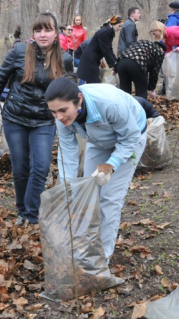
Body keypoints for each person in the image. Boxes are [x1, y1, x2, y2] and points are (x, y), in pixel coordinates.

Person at [0, 13, 72, 225]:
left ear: (56, 34)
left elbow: (69, 90)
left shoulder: (64, 59)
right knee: (20, 168)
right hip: (16, 118)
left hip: (43, 120)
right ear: (33, 33)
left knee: (40, 167)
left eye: (47, 30)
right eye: (38, 30)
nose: (42, 35)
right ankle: (23, 212)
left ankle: (32, 216)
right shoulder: (20, 51)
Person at [46, 78, 147, 260]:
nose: (59, 117)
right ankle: (85, 245)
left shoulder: (110, 104)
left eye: (63, 110)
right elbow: (68, 153)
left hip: (130, 139)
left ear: (79, 99)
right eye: (53, 112)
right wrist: (68, 188)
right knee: (89, 193)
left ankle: (102, 256)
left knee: (109, 198)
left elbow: (130, 137)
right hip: (97, 141)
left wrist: (112, 163)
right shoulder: (62, 119)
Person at [114, 33, 166, 99]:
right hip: (137, 64)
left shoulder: (142, 43)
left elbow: (126, 51)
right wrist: (152, 89)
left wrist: (115, 68)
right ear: (163, 50)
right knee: (141, 92)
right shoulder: (159, 51)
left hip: (121, 62)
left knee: (125, 92)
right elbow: (154, 72)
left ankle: (124, 108)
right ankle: (140, 108)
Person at [77, 15, 124, 84]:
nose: (120, 28)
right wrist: (114, 66)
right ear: (113, 23)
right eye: (119, 26)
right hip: (89, 59)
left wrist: (115, 63)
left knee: (93, 82)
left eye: (121, 26)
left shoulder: (110, 32)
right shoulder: (105, 32)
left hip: (93, 59)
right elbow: (106, 51)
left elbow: (109, 49)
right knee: (93, 82)